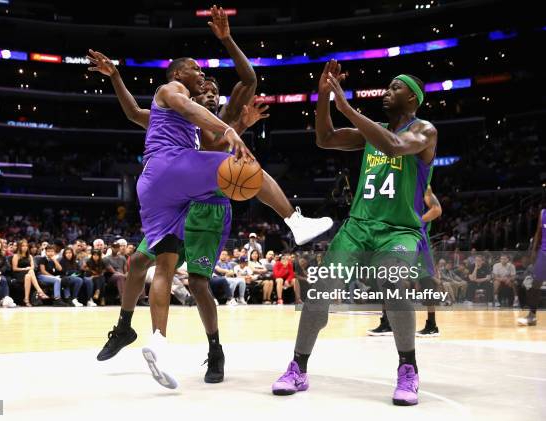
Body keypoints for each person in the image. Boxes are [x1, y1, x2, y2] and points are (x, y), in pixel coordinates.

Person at [91, 6, 333, 389]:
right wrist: (232, 132)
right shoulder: (178, 99)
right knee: (240, 170)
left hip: (190, 200)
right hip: (182, 180)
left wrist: (232, 118)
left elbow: (247, 79)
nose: (206, 83)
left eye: (210, 84)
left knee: (177, 273)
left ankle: (167, 343)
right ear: (183, 80)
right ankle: (295, 219)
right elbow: (160, 108)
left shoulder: (214, 112)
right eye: (200, 79)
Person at [272, 60, 437, 407]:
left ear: (414, 98)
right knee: (320, 291)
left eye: (396, 87)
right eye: (388, 86)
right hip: (358, 226)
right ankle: (298, 367)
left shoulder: (425, 131)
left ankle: (408, 368)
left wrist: (345, 105)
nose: (388, 92)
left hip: (399, 230)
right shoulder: (370, 132)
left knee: (392, 281)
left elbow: (393, 145)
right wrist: (322, 97)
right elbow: (325, 138)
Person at [367, 185, 443, 337]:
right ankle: (387, 322)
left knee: (426, 281)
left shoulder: (422, 185)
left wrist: (416, 221)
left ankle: (432, 324)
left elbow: (436, 209)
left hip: (417, 239)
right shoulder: (393, 185)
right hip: (396, 239)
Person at [517, 205, 545, 326]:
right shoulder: (543, 213)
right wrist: (534, 251)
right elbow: (538, 232)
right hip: (543, 253)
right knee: (535, 284)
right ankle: (532, 316)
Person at [13, 239, 48, 307]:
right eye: (23, 246)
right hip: (18, 274)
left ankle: (26, 299)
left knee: (28, 276)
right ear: (19, 247)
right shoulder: (16, 256)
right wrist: (24, 269)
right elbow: (14, 268)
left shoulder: (30, 256)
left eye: (26, 246)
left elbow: (32, 267)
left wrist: (28, 269)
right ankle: (40, 291)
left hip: (28, 274)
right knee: (30, 272)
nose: (25, 247)